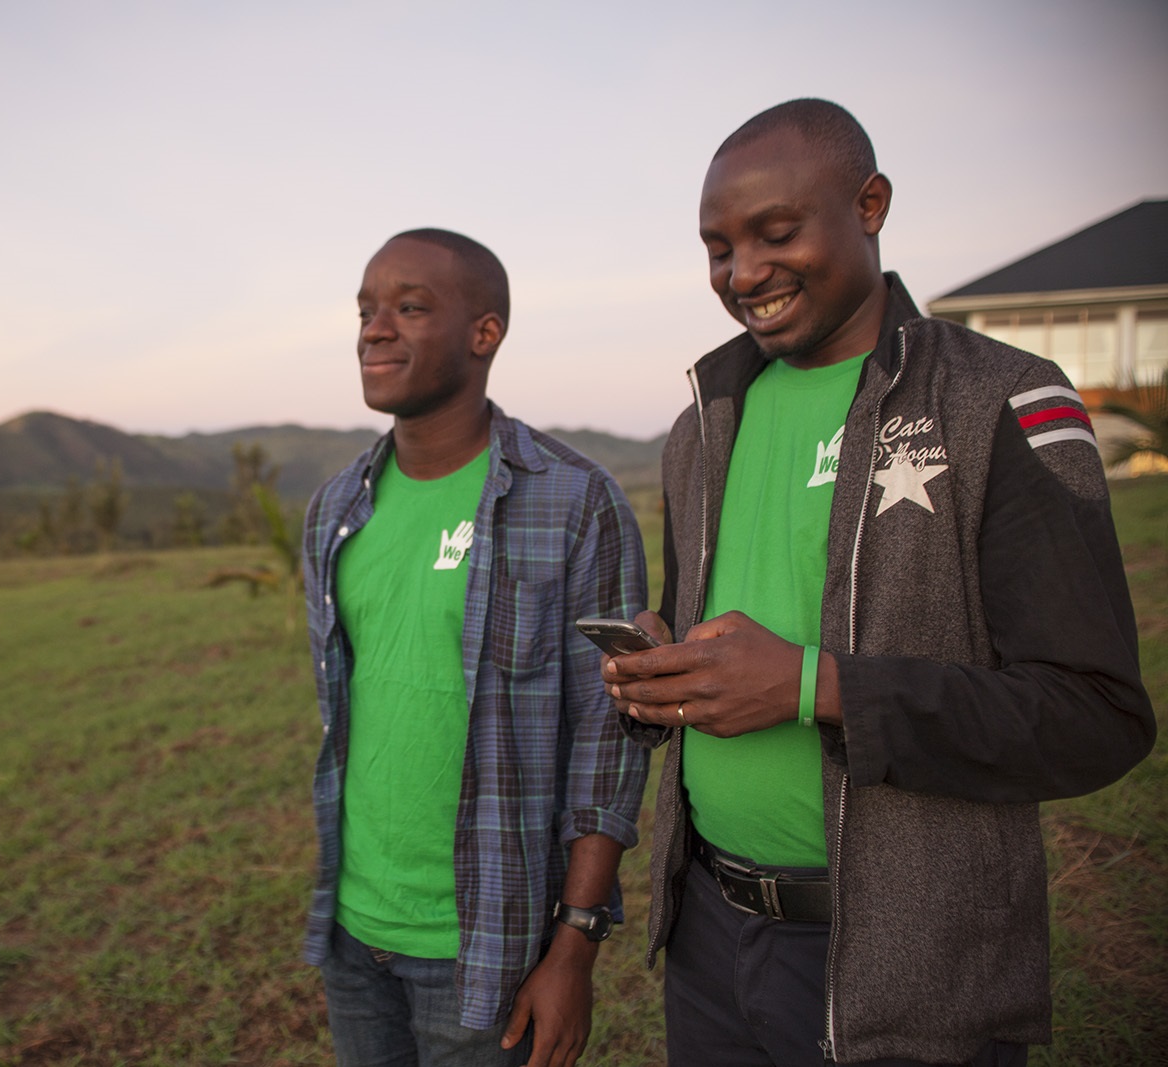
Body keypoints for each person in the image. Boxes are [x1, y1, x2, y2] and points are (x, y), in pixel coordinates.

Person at [602, 99, 1156, 1066]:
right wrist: (664, 677)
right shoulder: (703, 424)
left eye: (777, 233)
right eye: (718, 249)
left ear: (870, 205)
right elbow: (715, 642)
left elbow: (1094, 715)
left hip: (907, 964)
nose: (744, 273)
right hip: (709, 941)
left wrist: (814, 686)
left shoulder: (996, 399)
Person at [303, 228, 651, 1067]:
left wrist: (575, 944)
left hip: (491, 943)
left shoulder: (575, 501)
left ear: (484, 333)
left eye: (409, 308)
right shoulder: (335, 509)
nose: (374, 329)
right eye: (366, 309)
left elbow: (609, 740)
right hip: (354, 933)